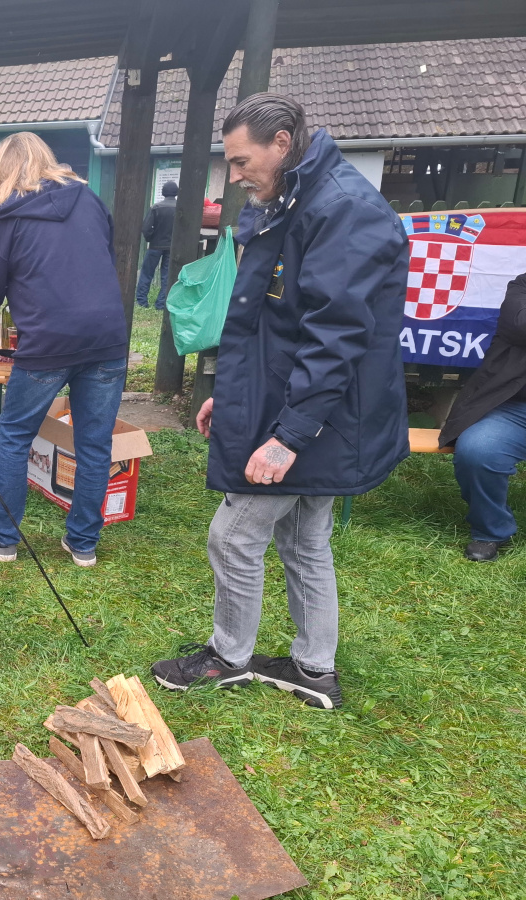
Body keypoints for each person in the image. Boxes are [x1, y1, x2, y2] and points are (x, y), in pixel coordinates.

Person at [151, 93, 410, 710]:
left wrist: (287, 436)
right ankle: (313, 669)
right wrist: (232, 397)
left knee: (234, 536)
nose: (235, 175)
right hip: (297, 401)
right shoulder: (293, 197)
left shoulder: (342, 208)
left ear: (283, 143)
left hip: (320, 413)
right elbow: (268, 321)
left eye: (242, 161)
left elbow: (335, 336)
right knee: (303, 539)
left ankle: (228, 657)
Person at [0, 133, 127, 569]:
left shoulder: (7, 217)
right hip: (107, 336)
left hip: (49, 342)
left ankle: (2, 537)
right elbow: (102, 258)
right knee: (95, 444)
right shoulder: (89, 199)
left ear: (0, 171)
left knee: (14, 437)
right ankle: (83, 543)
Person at [439, 273, 526, 562]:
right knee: (478, 450)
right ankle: (491, 530)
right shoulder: (522, 286)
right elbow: (520, 325)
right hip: (514, 410)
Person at [136, 181, 178, 309]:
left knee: (147, 273)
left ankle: (142, 301)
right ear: (176, 192)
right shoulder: (180, 208)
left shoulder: (156, 207)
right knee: (167, 276)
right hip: (172, 246)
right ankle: (161, 304)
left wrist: (150, 238)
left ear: (163, 192)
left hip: (155, 245)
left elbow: (146, 228)